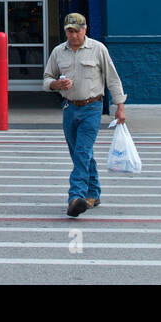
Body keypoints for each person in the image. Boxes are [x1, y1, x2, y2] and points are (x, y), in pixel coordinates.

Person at [42, 12, 126, 217]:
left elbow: (112, 79)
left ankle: (75, 197)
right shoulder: (58, 52)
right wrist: (56, 84)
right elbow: (46, 79)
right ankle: (94, 193)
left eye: (76, 31)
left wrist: (120, 106)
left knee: (81, 152)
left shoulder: (98, 49)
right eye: (69, 31)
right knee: (79, 153)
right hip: (69, 108)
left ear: (85, 29)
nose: (72, 35)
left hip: (92, 107)